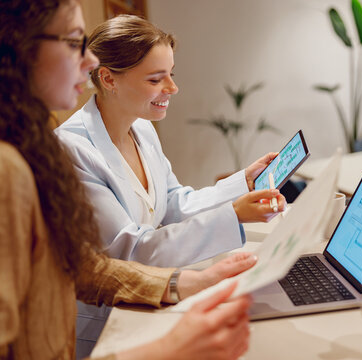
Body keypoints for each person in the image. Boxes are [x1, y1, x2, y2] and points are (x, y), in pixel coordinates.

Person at [0, 0, 255, 359]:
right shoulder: (19, 164)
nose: (88, 61)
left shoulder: (36, 140)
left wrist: (181, 283)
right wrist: (168, 349)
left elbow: (82, 265)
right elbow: (127, 250)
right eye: (74, 42)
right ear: (19, 47)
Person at [54, 15, 286, 355]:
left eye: (171, 75)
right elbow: (129, 251)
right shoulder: (71, 150)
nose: (172, 89)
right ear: (108, 78)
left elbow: (175, 203)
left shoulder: (142, 129)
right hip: (104, 327)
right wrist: (232, 217)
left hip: (148, 305)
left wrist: (242, 183)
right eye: (155, 79)